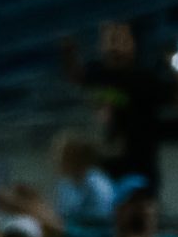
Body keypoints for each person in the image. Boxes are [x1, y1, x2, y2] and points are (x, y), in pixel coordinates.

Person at [62, 21, 172, 186]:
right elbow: (76, 76)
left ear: (132, 44)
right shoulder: (98, 73)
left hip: (139, 161)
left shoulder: (143, 78)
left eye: (119, 38)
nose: (114, 45)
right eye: (110, 38)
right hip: (114, 161)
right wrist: (68, 49)